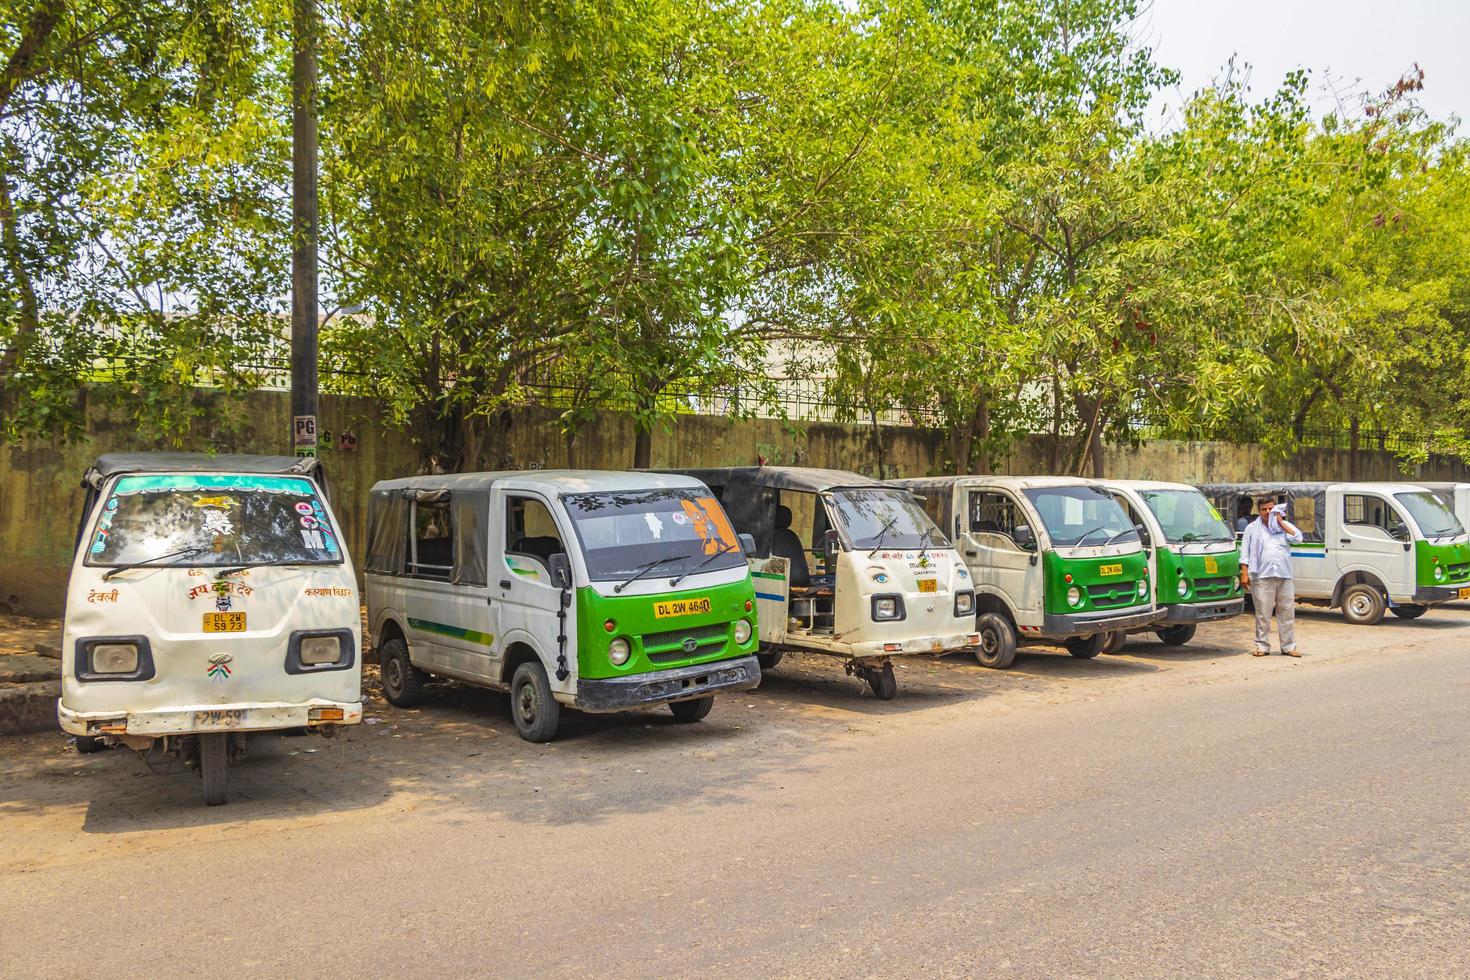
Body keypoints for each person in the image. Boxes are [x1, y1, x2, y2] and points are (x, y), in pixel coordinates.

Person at [1240, 496, 1303, 657]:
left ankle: (1288, 646)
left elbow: (1298, 537)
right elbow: (1245, 552)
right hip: (1261, 576)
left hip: (1284, 575)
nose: (1268, 512)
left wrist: (1281, 522)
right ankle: (1262, 646)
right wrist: (1244, 573)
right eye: (1264, 509)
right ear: (1259, 511)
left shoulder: (1284, 526)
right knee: (1263, 613)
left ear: (1276, 509)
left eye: (1271, 509)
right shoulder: (1252, 528)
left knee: (1287, 612)